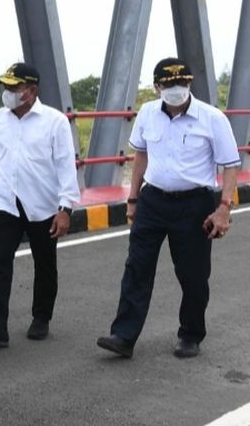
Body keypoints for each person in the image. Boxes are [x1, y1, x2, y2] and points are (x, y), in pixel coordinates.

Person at [97, 57, 241, 360]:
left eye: (182, 83)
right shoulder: (148, 114)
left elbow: (230, 165)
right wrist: (133, 200)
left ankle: (190, 335)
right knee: (136, 267)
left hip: (194, 204)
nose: (176, 89)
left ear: (189, 84)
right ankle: (123, 336)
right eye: (169, 84)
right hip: (153, 201)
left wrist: (224, 207)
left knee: (193, 274)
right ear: (157, 87)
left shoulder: (212, 118)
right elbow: (141, 157)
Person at [0, 62, 79, 347]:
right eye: (5, 87)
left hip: (42, 205)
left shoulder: (55, 121)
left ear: (31, 91)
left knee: (44, 263)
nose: (7, 93)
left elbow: (65, 166)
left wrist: (66, 208)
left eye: (13, 87)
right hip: (5, 202)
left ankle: (41, 317)